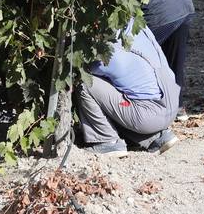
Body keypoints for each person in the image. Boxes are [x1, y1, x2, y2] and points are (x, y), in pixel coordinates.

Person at [77, 24, 181, 157]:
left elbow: (85, 69)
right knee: (120, 92)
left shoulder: (110, 51)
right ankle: (156, 137)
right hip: (171, 103)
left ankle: (107, 141)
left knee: (86, 83)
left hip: (147, 115)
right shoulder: (138, 27)